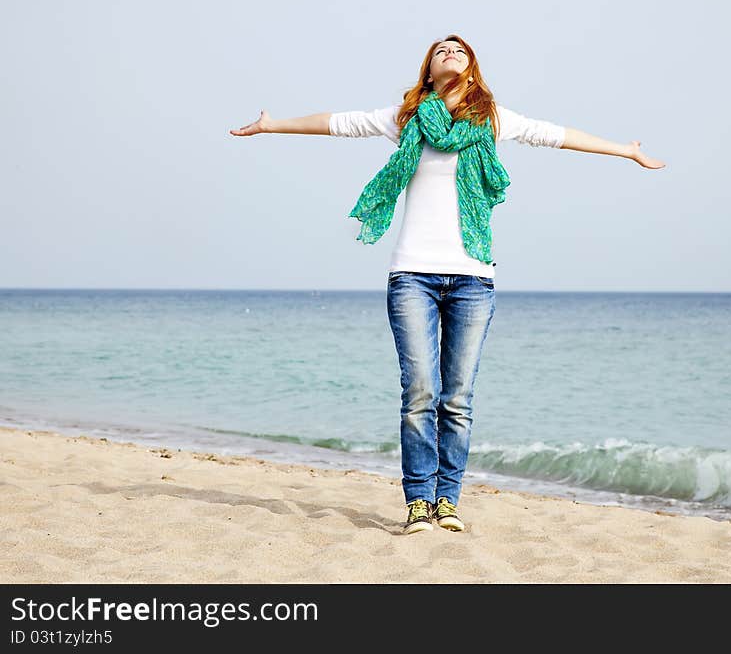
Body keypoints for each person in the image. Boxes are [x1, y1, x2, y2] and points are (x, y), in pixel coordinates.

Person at [230, 33, 665, 535]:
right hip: (412, 274)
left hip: (474, 278)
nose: (450, 53)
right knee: (419, 392)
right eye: (441, 51)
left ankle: (448, 502)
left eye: (459, 50)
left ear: (473, 68)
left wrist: (626, 151)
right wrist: (271, 125)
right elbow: (336, 124)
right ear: (429, 70)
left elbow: (558, 134)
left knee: (457, 398)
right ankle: (419, 501)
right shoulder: (405, 117)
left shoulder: (494, 120)